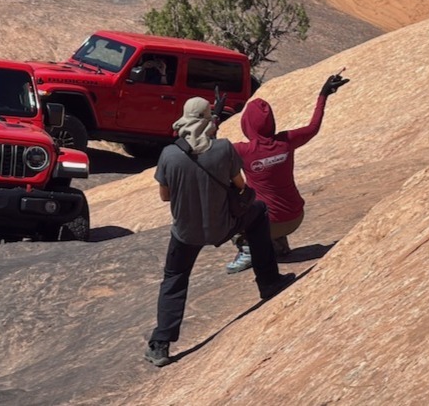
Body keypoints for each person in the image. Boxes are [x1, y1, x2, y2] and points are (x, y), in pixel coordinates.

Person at [144, 96, 296, 367]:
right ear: (208, 119)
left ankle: (160, 345)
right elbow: (240, 185)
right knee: (259, 212)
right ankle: (268, 282)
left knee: (175, 278)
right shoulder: (224, 148)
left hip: (186, 233)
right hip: (224, 225)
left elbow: (164, 197)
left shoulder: (169, 154)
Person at [225, 73, 350, 274]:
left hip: (269, 223)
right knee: (265, 203)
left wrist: (214, 118)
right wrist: (323, 95)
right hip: (295, 217)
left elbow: (209, 152)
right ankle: (279, 245)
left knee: (229, 199)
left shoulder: (242, 150)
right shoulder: (286, 141)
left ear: (246, 123)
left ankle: (248, 248)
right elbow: (313, 127)